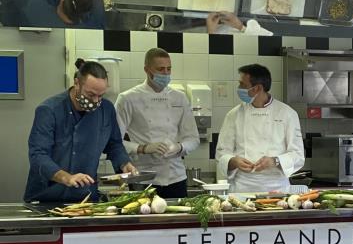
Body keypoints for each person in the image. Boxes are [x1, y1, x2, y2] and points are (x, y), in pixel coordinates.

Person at [25, 59, 136, 202]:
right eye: (91, 95)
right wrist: (66, 177)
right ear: (77, 83)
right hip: (48, 195)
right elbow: (38, 155)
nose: (96, 101)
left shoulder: (106, 110)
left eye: (101, 96)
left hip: (85, 196)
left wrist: (124, 163)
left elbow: (114, 144)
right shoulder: (49, 110)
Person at [115, 48, 200, 198]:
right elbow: (114, 142)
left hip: (176, 177)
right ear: (147, 70)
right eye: (161, 69)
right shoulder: (128, 98)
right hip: (143, 178)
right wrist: (143, 148)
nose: (166, 74)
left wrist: (179, 147)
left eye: (169, 69)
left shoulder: (179, 98)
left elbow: (193, 139)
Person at [215, 64, 305, 193]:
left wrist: (275, 161)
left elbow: (298, 155)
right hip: (242, 188)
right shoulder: (234, 115)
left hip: (276, 189)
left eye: (243, 85)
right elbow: (221, 153)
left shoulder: (287, 114)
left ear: (257, 88)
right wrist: (234, 161)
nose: (239, 88)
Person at [206, 11, 273, 36]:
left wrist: (211, 33)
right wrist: (240, 27)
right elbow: (266, 35)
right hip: (233, 27)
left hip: (210, 32)